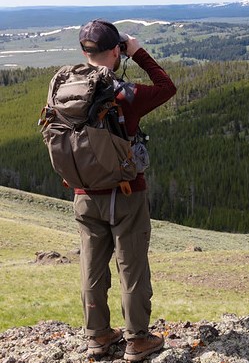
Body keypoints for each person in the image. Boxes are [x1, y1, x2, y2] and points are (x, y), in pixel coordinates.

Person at [74, 19, 177, 361]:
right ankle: (136, 340)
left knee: (92, 266)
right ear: (116, 51)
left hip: (83, 194)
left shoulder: (66, 87)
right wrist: (138, 52)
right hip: (126, 193)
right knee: (131, 267)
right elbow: (166, 86)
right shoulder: (123, 94)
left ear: (83, 51)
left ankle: (98, 337)